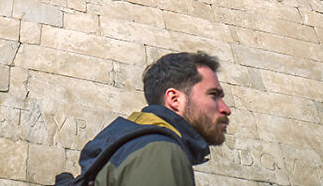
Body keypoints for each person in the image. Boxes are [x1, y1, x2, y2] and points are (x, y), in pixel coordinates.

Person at [75, 51, 231, 186]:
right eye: (213, 95)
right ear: (174, 99)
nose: (226, 109)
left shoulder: (134, 147)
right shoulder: (160, 151)